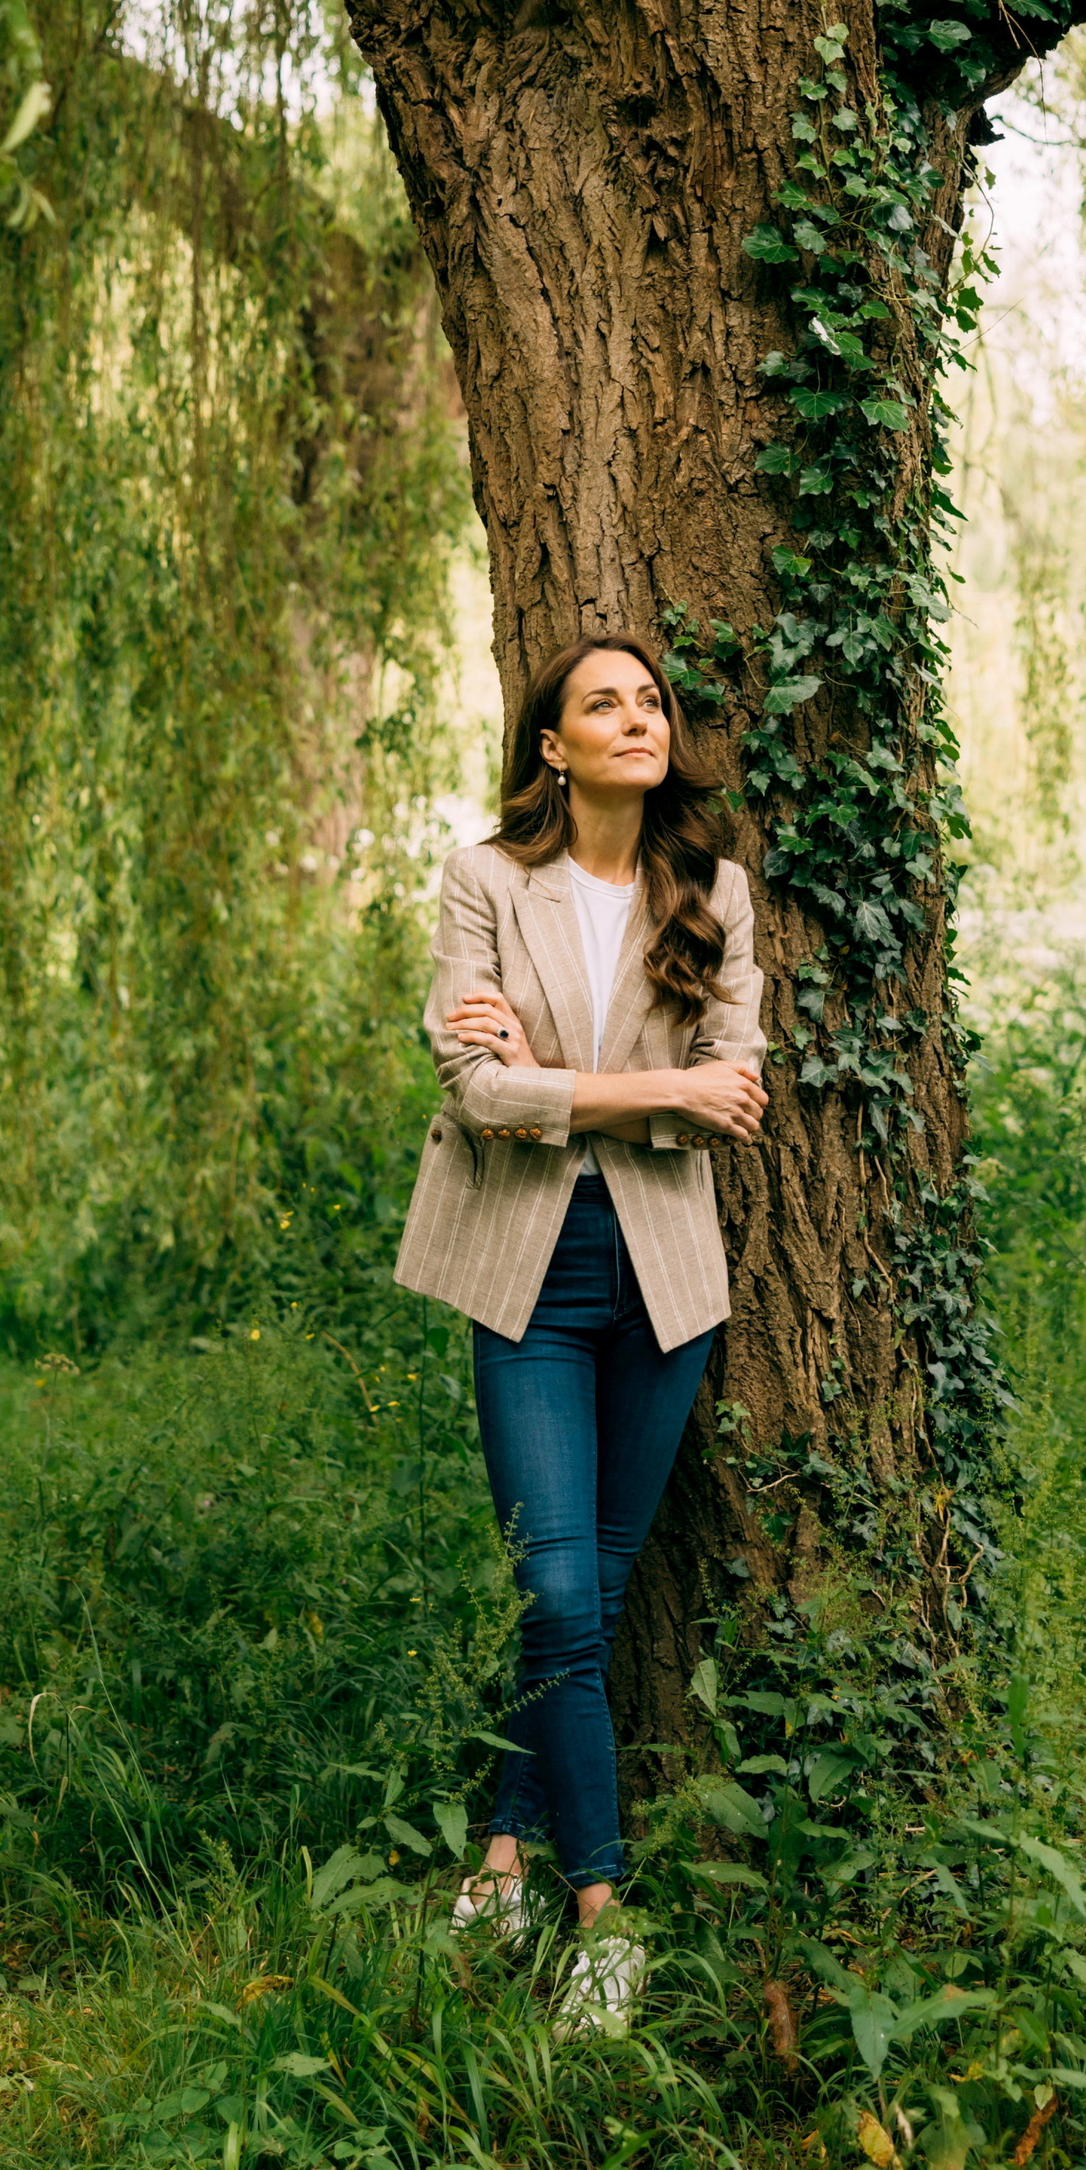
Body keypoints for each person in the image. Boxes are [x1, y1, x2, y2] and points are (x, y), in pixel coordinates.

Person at [393, 632, 765, 2035]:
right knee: (554, 1591)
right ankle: (602, 1911)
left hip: (667, 1275)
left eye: (651, 700)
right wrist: (629, 1093)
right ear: (552, 743)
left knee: (588, 1596)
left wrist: (560, 1080)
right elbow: (481, 1095)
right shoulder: (490, 880)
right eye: (602, 702)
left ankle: (500, 1856)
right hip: (525, 1265)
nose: (637, 717)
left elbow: (738, 1086)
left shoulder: (711, 891)